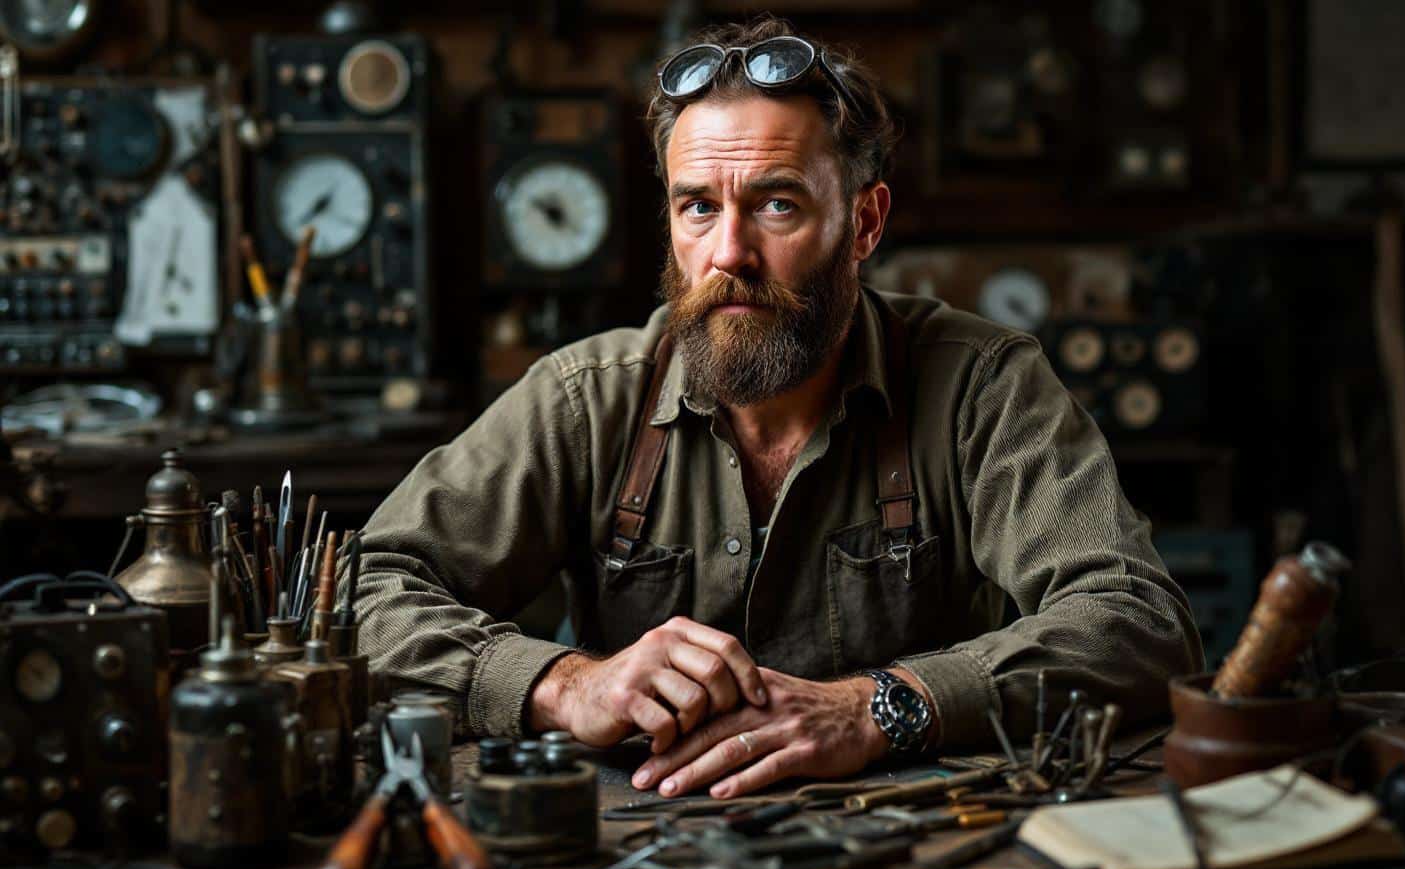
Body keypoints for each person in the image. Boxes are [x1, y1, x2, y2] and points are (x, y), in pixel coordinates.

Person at [355, 16, 1201, 800]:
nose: (730, 253)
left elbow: (1136, 621)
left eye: (776, 205)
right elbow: (365, 594)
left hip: (911, 833)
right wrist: (563, 685)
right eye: (698, 207)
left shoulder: (981, 386)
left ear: (864, 223)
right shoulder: (587, 399)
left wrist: (881, 707)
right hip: (637, 839)